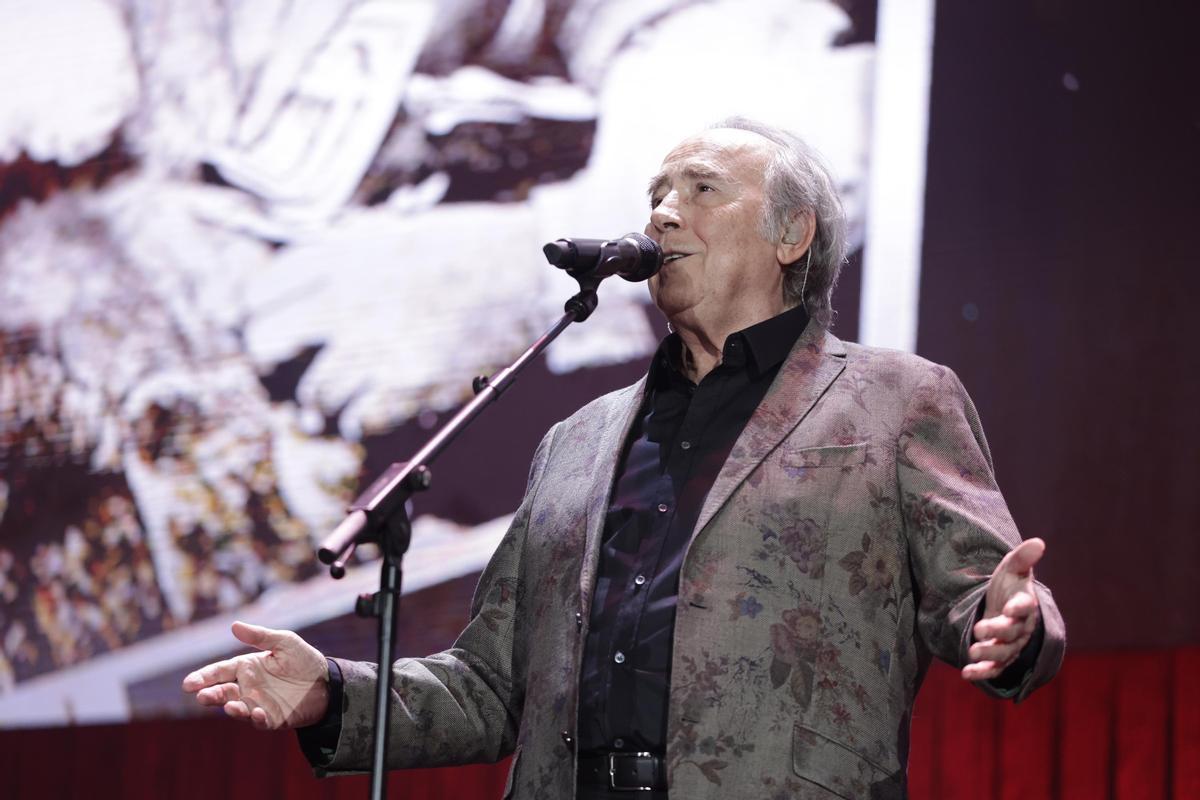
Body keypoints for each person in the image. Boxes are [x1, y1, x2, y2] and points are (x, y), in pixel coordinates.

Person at [183, 117, 1065, 799]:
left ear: (792, 235)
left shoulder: (896, 399)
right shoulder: (577, 441)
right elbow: (493, 684)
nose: (661, 211)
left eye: (702, 188)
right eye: (655, 192)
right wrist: (334, 695)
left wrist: (1013, 619)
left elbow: (983, 595)